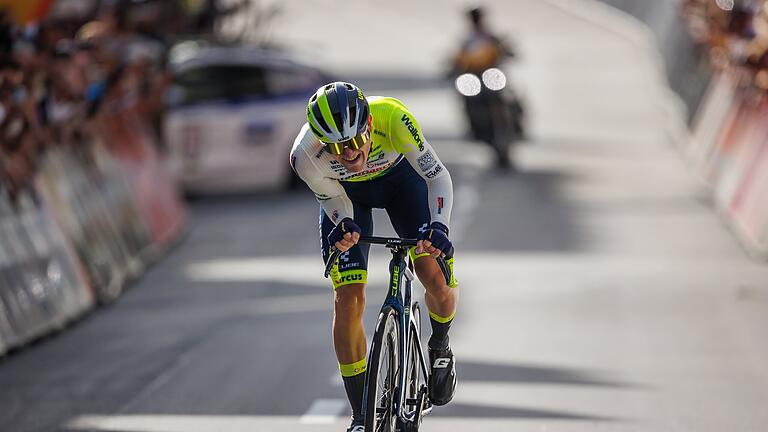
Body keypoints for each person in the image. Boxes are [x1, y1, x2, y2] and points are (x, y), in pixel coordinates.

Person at [290, 82, 459, 432]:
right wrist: (343, 222)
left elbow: (437, 176)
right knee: (348, 301)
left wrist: (439, 227)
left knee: (432, 274)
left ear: (368, 127)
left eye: (353, 142)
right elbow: (332, 201)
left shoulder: (394, 119)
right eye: (336, 148)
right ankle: (360, 415)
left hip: (404, 185)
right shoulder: (303, 155)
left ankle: (440, 345)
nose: (349, 154)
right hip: (348, 199)